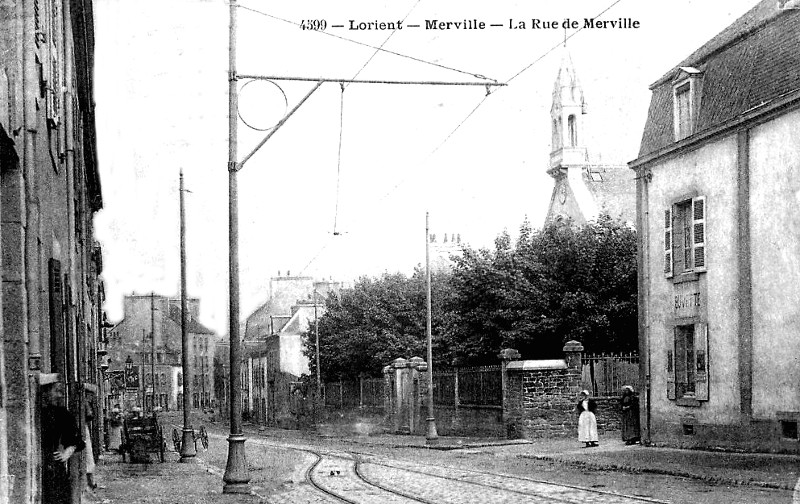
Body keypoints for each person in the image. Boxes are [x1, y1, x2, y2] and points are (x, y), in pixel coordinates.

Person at [41, 382, 85, 504]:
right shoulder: (35, 411)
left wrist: (66, 453)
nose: (60, 395)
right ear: (45, 392)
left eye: (60, 391)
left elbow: (77, 440)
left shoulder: (60, 413)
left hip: (52, 468)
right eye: (56, 391)